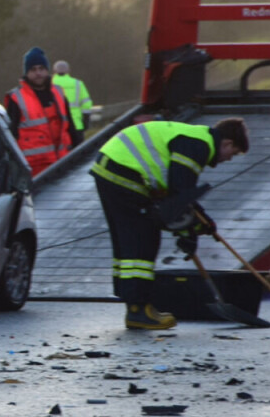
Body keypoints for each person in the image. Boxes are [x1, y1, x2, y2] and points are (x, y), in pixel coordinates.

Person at [90, 118, 248, 330]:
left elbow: (179, 196)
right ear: (227, 143)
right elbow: (179, 192)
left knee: (129, 237)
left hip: (112, 167)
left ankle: (135, 306)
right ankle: (138, 310)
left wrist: (199, 222)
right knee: (141, 237)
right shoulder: (199, 145)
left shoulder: (196, 139)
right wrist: (190, 231)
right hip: (124, 171)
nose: (229, 159)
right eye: (234, 153)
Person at [4, 47, 83, 176]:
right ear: (26, 73)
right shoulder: (16, 98)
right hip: (34, 170)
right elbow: (11, 137)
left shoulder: (58, 93)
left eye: (41, 68)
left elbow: (70, 127)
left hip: (63, 163)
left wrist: (79, 153)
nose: (38, 73)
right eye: (33, 69)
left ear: (47, 70)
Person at [52, 60, 94, 131]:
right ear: (68, 70)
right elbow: (86, 103)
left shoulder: (49, 84)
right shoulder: (78, 83)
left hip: (57, 127)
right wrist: (85, 121)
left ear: (54, 71)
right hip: (76, 124)